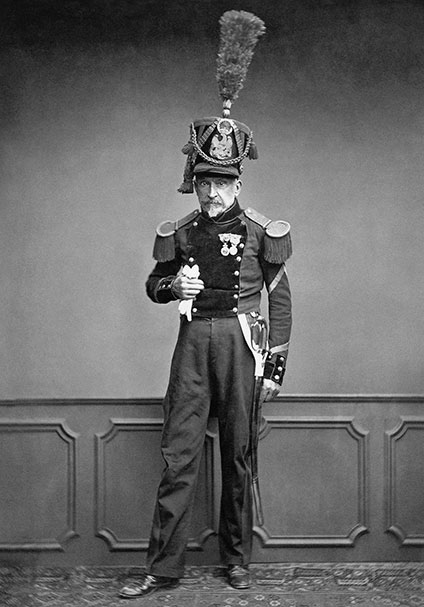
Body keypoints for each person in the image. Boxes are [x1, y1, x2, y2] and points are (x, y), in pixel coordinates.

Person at [119, 11, 291, 598]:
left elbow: (281, 296)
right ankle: (161, 569)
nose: (214, 190)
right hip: (192, 344)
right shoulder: (183, 229)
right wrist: (173, 290)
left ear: (239, 182)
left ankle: (236, 561)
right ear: (194, 181)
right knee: (178, 460)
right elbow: (152, 284)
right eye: (205, 180)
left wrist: (274, 368)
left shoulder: (264, 230)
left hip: (244, 342)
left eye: (224, 181)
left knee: (239, 458)